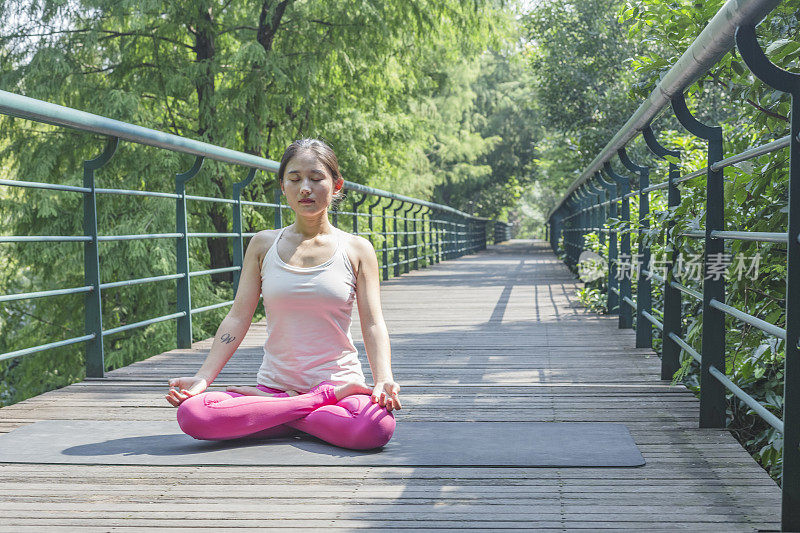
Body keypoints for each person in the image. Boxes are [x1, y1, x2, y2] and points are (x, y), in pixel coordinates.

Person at [164, 138, 401, 450]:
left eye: (317, 179)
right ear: (283, 187)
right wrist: (203, 378)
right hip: (277, 388)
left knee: (376, 426)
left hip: (342, 388)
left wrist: (383, 378)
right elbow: (237, 318)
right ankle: (310, 408)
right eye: (295, 179)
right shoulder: (263, 245)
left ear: (336, 185)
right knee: (193, 414)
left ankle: (271, 415)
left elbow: (373, 323)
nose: (305, 188)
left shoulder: (357, 249)